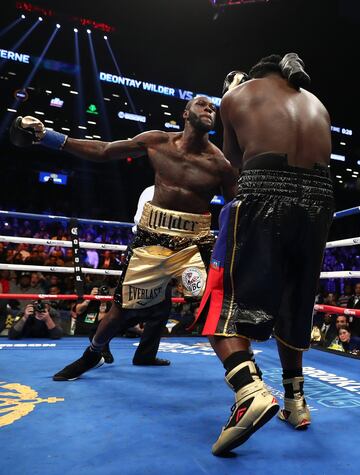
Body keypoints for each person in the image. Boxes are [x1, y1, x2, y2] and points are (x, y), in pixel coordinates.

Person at [10, 95, 237, 380]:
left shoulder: (220, 164)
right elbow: (105, 150)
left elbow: (235, 209)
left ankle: (243, 376)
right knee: (121, 307)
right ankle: (92, 353)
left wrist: (231, 251)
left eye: (213, 107)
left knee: (212, 303)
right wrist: (49, 137)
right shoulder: (158, 141)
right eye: (202, 104)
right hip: (151, 241)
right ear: (185, 112)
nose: (209, 109)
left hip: (193, 246)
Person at [190, 53, 334, 455]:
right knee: (295, 301)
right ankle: (296, 403)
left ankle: (248, 392)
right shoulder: (316, 103)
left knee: (223, 299)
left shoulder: (237, 96)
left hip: (265, 193)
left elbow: (234, 165)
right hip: (321, 204)